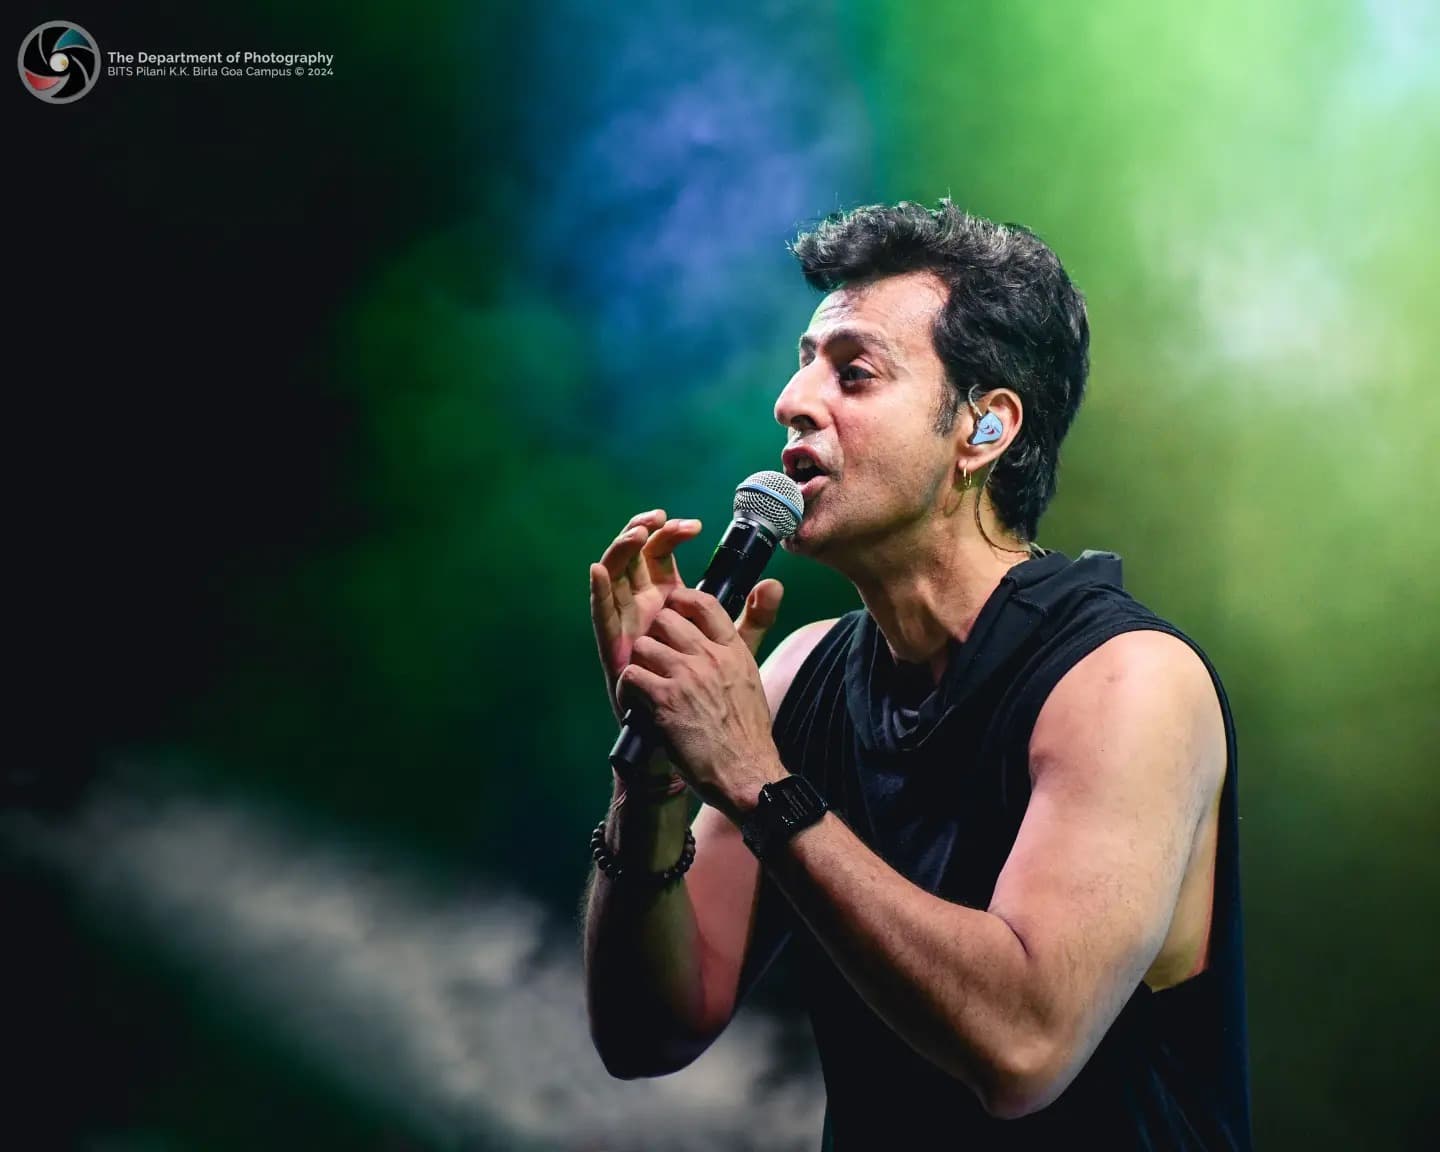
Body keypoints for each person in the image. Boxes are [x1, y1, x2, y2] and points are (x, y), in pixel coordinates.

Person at [582, 200, 1251, 1149]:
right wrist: (653, 774)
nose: (793, 399)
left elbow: (1022, 1049)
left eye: (854, 372)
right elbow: (646, 1033)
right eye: (805, 360)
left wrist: (753, 779)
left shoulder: (1127, 682)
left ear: (983, 431)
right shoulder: (804, 672)